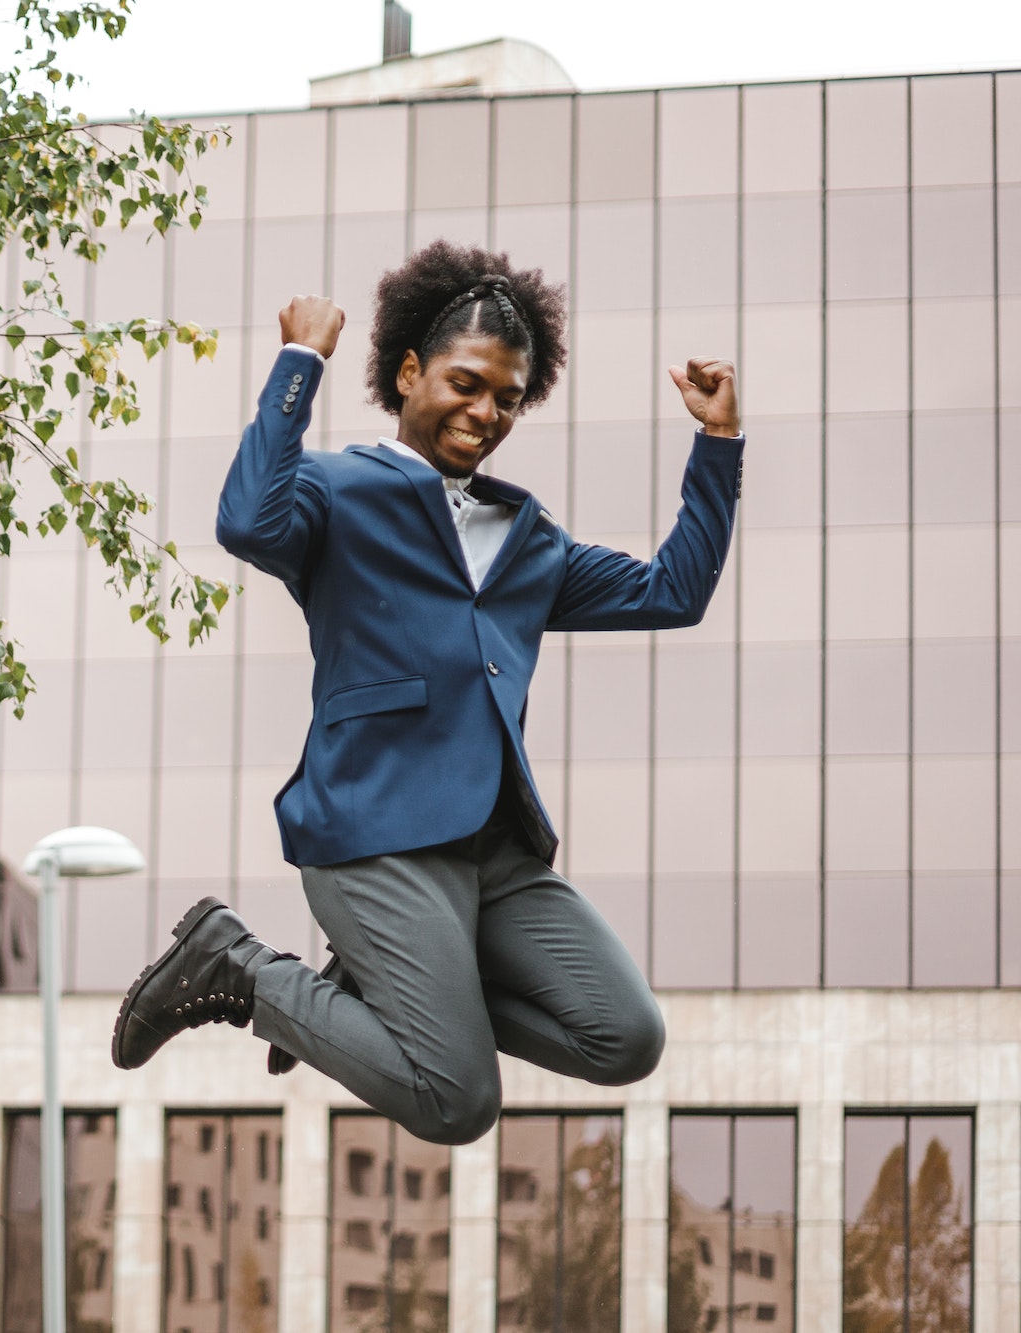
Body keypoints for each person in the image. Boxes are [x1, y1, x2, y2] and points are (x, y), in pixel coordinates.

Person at [109, 240, 743, 1145]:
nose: (484, 412)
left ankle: (374, 985)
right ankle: (240, 966)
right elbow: (246, 520)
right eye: (465, 383)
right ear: (409, 372)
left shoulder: (532, 542)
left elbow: (671, 593)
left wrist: (717, 441)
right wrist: (301, 362)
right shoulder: (338, 490)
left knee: (626, 1035)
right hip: (373, 835)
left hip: (495, 852)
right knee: (459, 1100)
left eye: (508, 399)